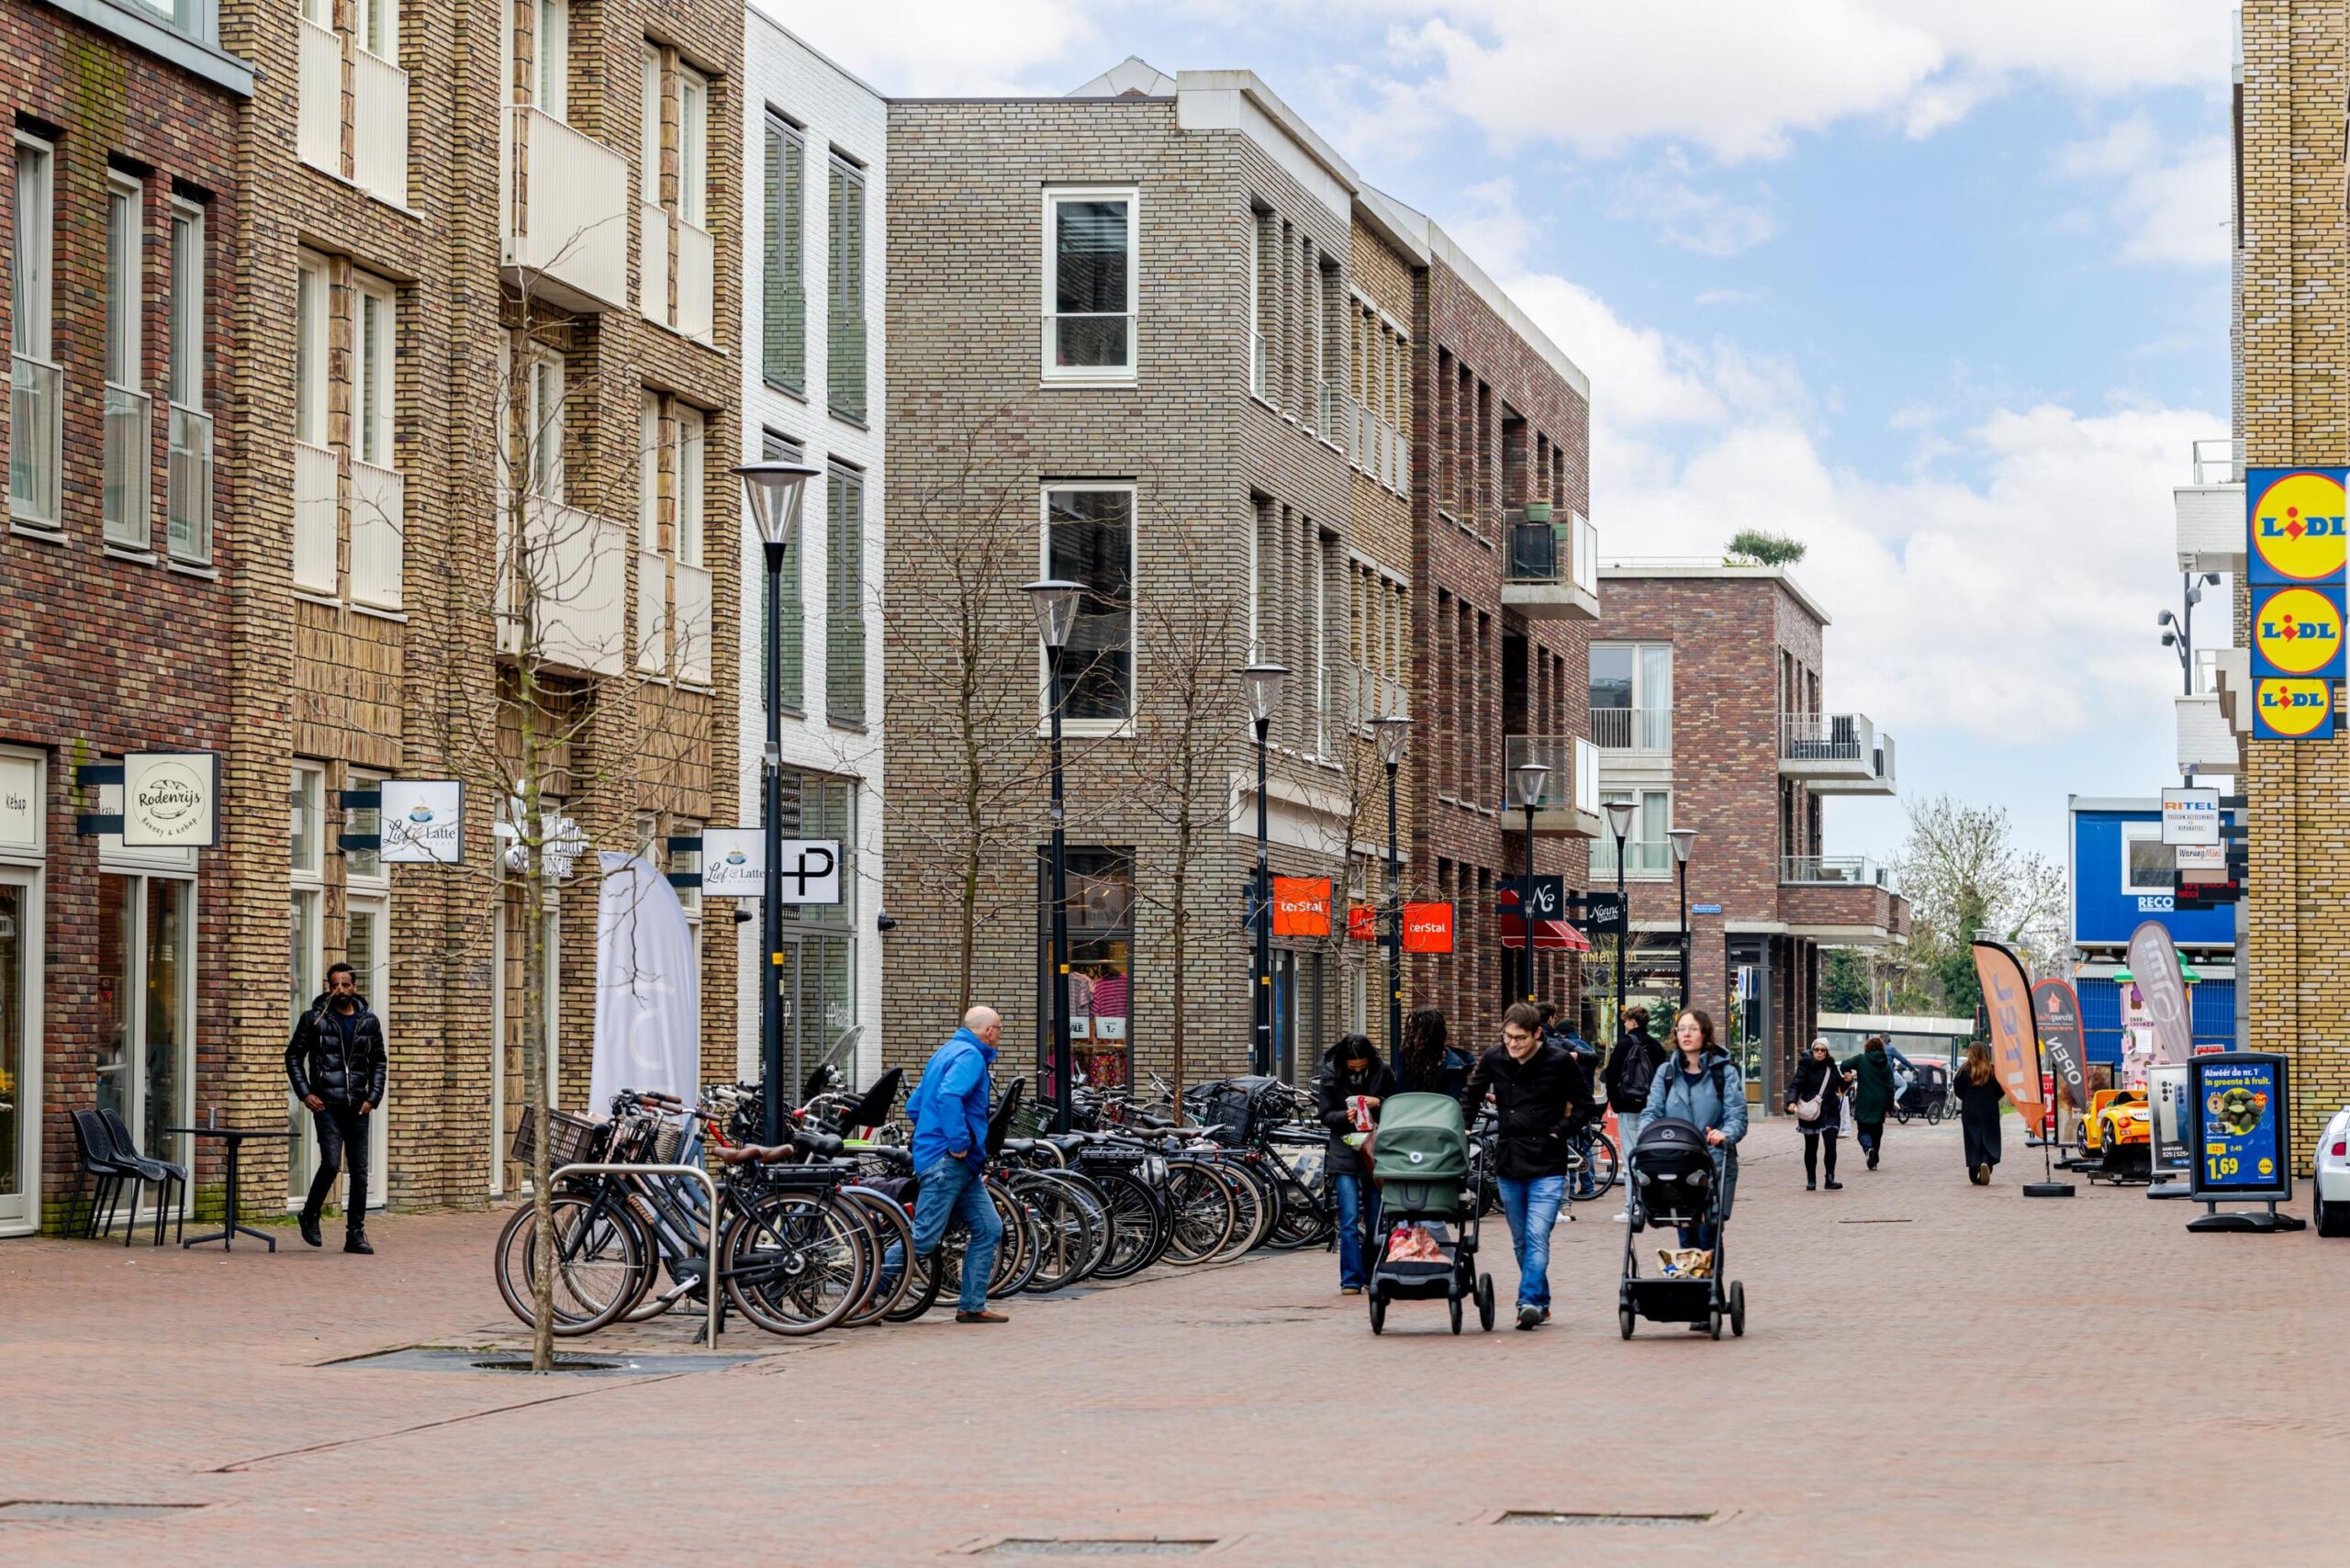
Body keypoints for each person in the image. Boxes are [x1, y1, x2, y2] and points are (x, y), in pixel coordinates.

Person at [1459, 1001, 1595, 1330]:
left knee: (1536, 1236)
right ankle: (1541, 1302)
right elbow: (1472, 1094)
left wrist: (1559, 1131)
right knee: (1521, 1240)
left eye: (1520, 1038)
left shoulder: (1558, 1061)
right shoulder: (1495, 1057)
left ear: (1537, 1034)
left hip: (1548, 1162)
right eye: (1507, 1037)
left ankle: (1528, 1302)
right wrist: (1463, 1126)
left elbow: (1585, 1106)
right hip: (1510, 1161)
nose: (1513, 1044)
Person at [904, 1006, 1009, 1324]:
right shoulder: (971, 1057)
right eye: (999, 1029)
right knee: (923, 1237)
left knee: (989, 1228)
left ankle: (972, 1305)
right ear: (988, 1031)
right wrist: (957, 1142)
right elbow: (949, 1096)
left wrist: (931, 1132)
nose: (999, 1035)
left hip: (955, 1162)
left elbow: (914, 1106)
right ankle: (867, 1292)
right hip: (950, 1160)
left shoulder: (945, 1052)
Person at [285, 961, 387, 1254]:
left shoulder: (369, 1021)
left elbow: (379, 1061)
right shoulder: (314, 1019)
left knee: (359, 1171)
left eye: (345, 985)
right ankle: (310, 1214)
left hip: (358, 1106)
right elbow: (293, 1056)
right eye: (334, 985)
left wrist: (373, 1097)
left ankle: (355, 1235)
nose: (340, 990)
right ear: (328, 988)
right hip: (326, 1104)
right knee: (331, 1163)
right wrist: (305, 1093)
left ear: (354, 987)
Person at [1642, 1009, 1748, 1272]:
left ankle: (1710, 1287)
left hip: (1714, 1161)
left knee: (1707, 1229)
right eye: (1681, 1029)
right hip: (1676, 1162)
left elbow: (1736, 1115)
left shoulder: (1723, 1072)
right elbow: (1652, 1112)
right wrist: (1648, 1137)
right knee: (1685, 1227)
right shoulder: (1666, 1073)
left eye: (1693, 1028)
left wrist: (1724, 1134)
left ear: (1705, 1033)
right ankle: (1692, 1284)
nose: (1686, 1034)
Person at [1315, 1033, 1397, 1295]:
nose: (1358, 1070)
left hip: (1375, 1149)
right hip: (1345, 1149)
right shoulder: (1330, 1076)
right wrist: (1344, 1116)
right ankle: (1350, 1279)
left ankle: (1370, 1272)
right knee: (1349, 1217)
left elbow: (1397, 1105)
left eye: (1362, 1066)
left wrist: (1379, 1102)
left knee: (1375, 1219)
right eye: (1353, 1067)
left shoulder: (1383, 1071)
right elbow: (1325, 1115)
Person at [1604, 1004, 1667, 1220]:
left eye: (1625, 1022)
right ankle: (1651, 1204)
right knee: (1649, 1155)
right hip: (1652, 1110)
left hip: (1630, 1107)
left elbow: (1612, 1075)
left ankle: (1633, 1207)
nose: (1624, 1025)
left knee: (1631, 1157)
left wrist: (1616, 1103)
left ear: (1632, 1022)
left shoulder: (1624, 1044)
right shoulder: (1656, 1046)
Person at [1785, 1036, 1845, 1191]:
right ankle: (1811, 1180)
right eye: (1816, 1050)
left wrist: (1848, 1080)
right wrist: (1791, 1101)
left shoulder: (1832, 1067)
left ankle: (1830, 1179)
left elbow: (1840, 1086)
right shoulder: (1805, 1066)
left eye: (1823, 1050)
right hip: (1811, 1111)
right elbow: (1796, 1085)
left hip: (1830, 1110)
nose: (1819, 1052)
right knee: (1811, 1147)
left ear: (1827, 1052)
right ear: (1812, 1051)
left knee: (1831, 1144)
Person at [1841, 1035, 1897, 1170]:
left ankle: (1868, 1149)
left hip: (1864, 1101)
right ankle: (1874, 1160)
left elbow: (1843, 1065)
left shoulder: (1861, 1059)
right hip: (1880, 1102)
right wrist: (1889, 1106)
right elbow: (1890, 1086)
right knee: (1877, 1132)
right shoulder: (1886, 1064)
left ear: (1867, 1047)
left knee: (1863, 1131)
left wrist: (1848, 1073)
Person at [1955, 1041, 2005, 1185]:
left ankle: (1974, 1166)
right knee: (1990, 1136)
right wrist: (1993, 1098)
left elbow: (1957, 1089)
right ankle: (1986, 1162)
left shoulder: (1964, 1070)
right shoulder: (1992, 1070)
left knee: (1972, 1137)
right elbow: (2002, 1089)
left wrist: (1967, 1098)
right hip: (1989, 1108)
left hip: (1970, 1109)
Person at [1393, 1007, 1470, 1098]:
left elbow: (1451, 1102)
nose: (1414, 1040)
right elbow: (1400, 1096)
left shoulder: (1454, 1068)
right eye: (1410, 1032)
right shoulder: (1406, 1058)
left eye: (1420, 1035)